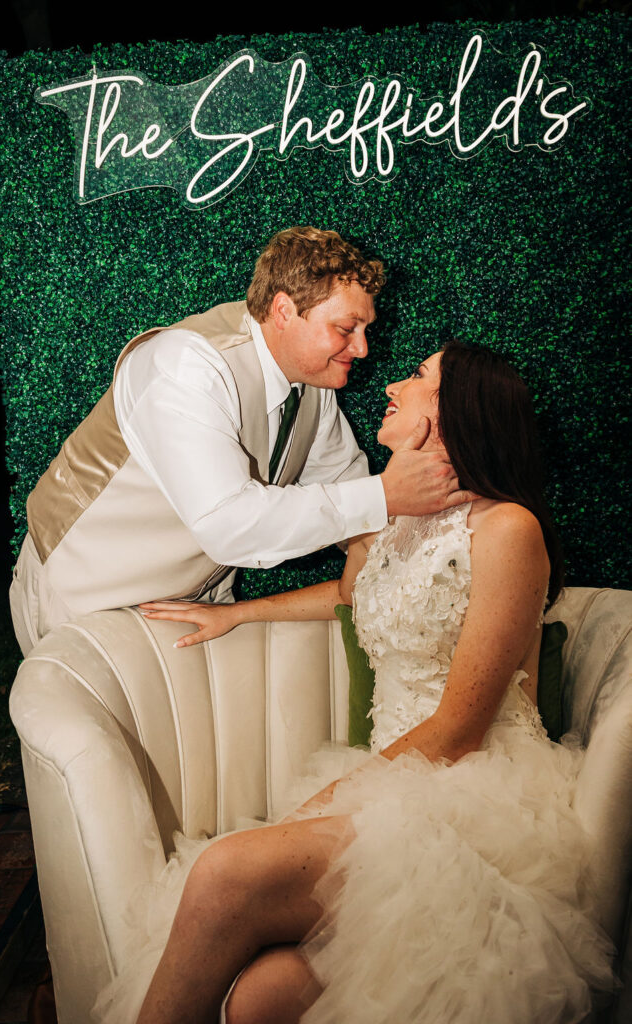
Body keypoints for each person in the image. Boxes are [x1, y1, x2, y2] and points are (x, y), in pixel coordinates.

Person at [93, 342, 618, 1024]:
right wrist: (236, 612)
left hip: (471, 790)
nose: (391, 382)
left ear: (455, 410)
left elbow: (459, 731)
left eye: (419, 375)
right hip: (393, 775)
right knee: (259, 1000)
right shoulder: (388, 520)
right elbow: (351, 594)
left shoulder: (506, 529)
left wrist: (333, 801)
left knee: (223, 872)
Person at [9, 227, 471, 656]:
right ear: (285, 310)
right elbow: (229, 523)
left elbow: (348, 496)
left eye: (365, 330)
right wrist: (385, 495)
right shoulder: (187, 365)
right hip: (85, 591)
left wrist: (454, 528)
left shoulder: (313, 386)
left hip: (196, 603)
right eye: (346, 329)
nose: (363, 348)